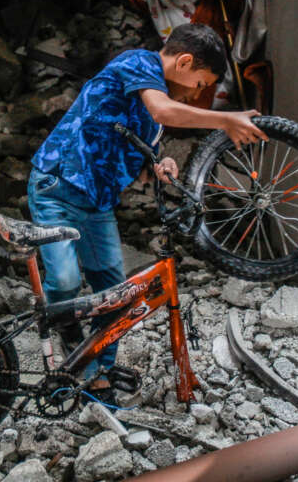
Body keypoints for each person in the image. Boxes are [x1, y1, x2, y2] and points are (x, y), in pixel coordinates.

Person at [28, 23, 267, 404]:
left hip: (98, 203)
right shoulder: (137, 63)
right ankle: (66, 332)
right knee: (66, 278)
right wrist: (225, 119)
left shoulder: (153, 105)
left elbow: (142, 136)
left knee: (115, 293)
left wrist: (159, 161)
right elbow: (164, 109)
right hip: (57, 186)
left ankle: (97, 369)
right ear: (185, 61)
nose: (196, 93)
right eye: (201, 84)